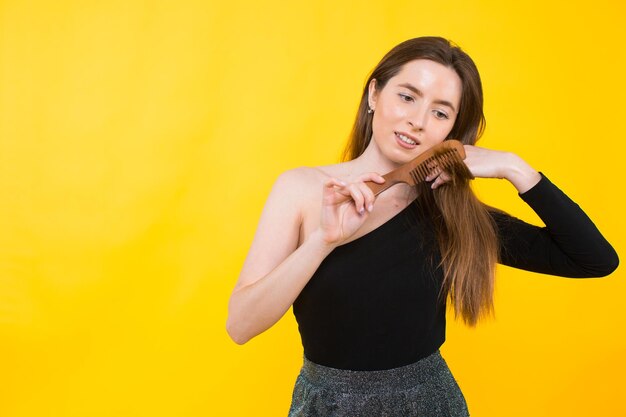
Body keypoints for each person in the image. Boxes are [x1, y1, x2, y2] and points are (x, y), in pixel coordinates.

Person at [225, 37, 619, 416]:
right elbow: (241, 326)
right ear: (374, 94)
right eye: (408, 96)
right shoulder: (301, 189)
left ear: (451, 130)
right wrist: (324, 241)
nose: (417, 121)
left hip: (430, 405)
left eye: (441, 112)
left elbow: (595, 260)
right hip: (326, 407)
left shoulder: (453, 214)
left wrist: (514, 167)